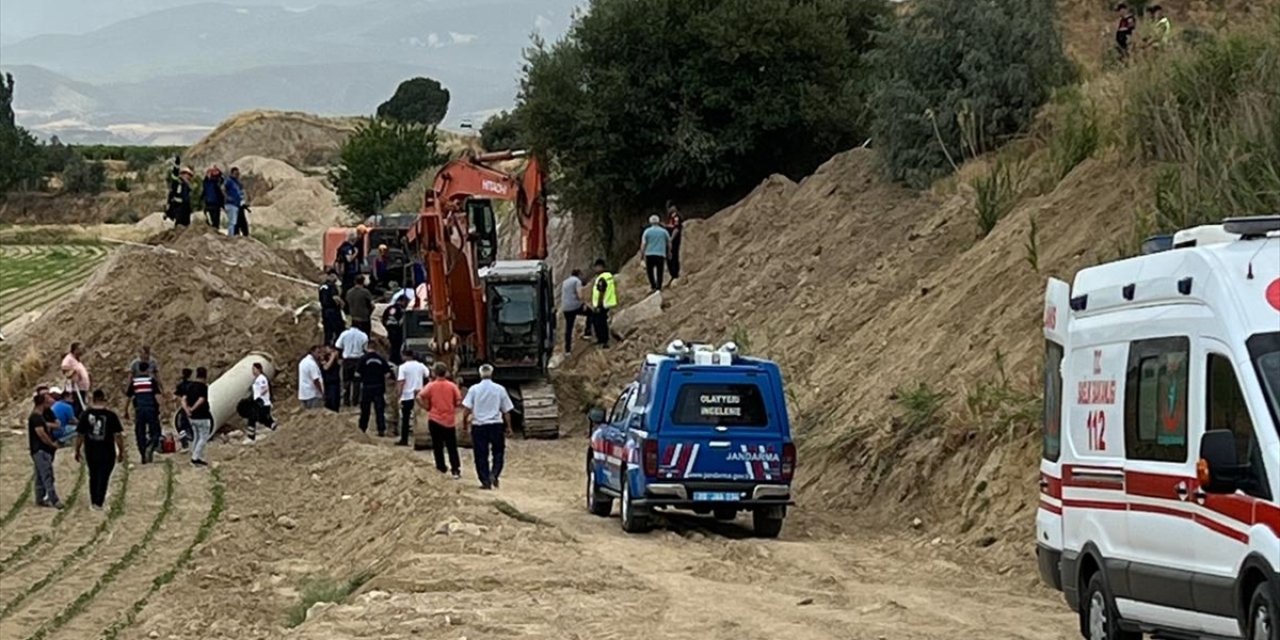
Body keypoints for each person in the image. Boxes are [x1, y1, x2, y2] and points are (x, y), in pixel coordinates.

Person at [462, 364, 514, 490]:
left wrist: (464, 423)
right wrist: (509, 427)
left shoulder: (474, 389)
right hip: (496, 425)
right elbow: (506, 411)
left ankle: (485, 480)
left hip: (479, 426)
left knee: (480, 455)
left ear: (480, 374)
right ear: (492, 373)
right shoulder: (500, 389)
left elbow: (467, 409)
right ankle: (495, 473)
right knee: (498, 452)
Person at [75, 389, 125, 511]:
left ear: (93, 399)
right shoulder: (111, 416)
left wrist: (77, 450)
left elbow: (80, 435)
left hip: (91, 450)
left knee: (93, 475)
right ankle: (99, 502)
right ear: (104, 399)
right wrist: (121, 451)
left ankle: (94, 501)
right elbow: (117, 435)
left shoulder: (86, 415)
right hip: (107, 451)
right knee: (104, 476)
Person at [419, 363, 463, 478]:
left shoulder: (431, 386)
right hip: (449, 420)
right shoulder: (452, 386)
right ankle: (455, 469)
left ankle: (441, 467)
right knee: (451, 445)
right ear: (446, 373)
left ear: (434, 373)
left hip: (434, 419)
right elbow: (458, 401)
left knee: (437, 445)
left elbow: (420, 396)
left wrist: (426, 407)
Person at [124, 361, 163, 463]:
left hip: (139, 410)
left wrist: (125, 411)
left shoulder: (134, 382)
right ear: (147, 370)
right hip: (151, 409)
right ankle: (150, 445)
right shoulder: (151, 381)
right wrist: (162, 409)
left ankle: (143, 453)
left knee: (139, 432)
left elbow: (128, 398)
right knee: (156, 431)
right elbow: (157, 396)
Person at [28, 391, 62, 508]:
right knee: (47, 476)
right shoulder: (36, 418)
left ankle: (40, 499)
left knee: (39, 475)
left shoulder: (40, 415)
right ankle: (54, 500)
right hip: (41, 450)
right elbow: (41, 434)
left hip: (38, 451)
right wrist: (52, 444)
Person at [356, 343, 393, 436]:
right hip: (379, 387)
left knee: (365, 410)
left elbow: (357, 374)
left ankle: (362, 428)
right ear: (376, 348)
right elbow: (388, 374)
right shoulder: (381, 359)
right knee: (379, 410)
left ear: (367, 348)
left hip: (367, 387)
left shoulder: (363, 359)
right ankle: (381, 429)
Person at [394, 350, 429, 447]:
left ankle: (404, 439)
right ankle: (420, 436)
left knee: (405, 418)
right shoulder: (421, 365)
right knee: (418, 416)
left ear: (405, 356)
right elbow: (428, 375)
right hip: (419, 394)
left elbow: (401, 382)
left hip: (407, 395)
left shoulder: (403, 367)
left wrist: (399, 394)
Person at [184, 367, 213, 466]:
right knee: (203, 437)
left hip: (192, 417)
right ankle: (195, 458)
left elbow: (183, 399)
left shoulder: (190, 386)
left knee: (196, 436)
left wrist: (187, 410)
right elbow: (201, 399)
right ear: (205, 376)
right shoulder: (203, 387)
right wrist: (193, 408)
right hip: (202, 415)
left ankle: (195, 454)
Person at [335, 324, 368, 407]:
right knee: (357, 382)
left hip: (347, 360)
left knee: (346, 381)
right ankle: (355, 401)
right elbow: (365, 349)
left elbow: (338, 346)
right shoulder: (363, 335)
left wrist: (339, 358)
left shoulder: (344, 334)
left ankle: (346, 401)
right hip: (358, 360)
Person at [244, 361, 275, 444]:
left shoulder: (262, 378)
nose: (253, 371)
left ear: (258, 369)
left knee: (253, 417)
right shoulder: (257, 379)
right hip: (260, 402)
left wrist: (259, 398)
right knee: (262, 419)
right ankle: (274, 427)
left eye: (254, 369)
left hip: (262, 403)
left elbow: (265, 389)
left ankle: (251, 437)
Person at [590, 259, 617, 348]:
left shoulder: (601, 278)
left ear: (601, 267)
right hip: (608, 302)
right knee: (601, 322)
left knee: (599, 323)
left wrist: (598, 305)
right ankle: (603, 340)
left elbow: (601, 292)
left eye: (596, 267)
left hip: (602, 304)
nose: (595, 269)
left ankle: (603, 340)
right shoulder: (608, 276)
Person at [640, 214, 671, 292]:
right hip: (660, 254)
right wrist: (669, 252)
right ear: (659, 221)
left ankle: (653, 285)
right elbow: (669, 243)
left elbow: (643, 244)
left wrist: (642, 255)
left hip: (649, 254)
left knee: (650, 271)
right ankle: (659, 287)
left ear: (650, 222)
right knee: (660, 271)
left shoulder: (647, 231)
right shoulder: (664, 231)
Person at [560, 269, 584, 355]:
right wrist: (583, 302)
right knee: (591, 313)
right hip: (575, 306)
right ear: (579, 274)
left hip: (565, 307)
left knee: (568, 328)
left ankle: (567, 350)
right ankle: (588, 333)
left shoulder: (565, 282)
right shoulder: (577, 281)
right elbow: (579, 294)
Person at [61, 342, 90, 411]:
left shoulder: (76, 359)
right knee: (78, 407)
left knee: (82, 406)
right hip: (76, 389)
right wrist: (74, 372)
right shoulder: (69, 358)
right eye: (80, 349)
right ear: (75, 350)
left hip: (83, 388)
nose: (82, 351)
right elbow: (64, 368)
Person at [319, 271, 345, 346]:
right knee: (339, 330)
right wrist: (342, 304)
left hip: (324, 311)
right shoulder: (331, 286)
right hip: (333, 311)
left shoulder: (322, 286)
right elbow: (335, 298)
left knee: (328, 331)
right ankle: (336, 346)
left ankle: (327, 346)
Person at [298, 346, 326, 410]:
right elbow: (315, 380)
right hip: (313, 394)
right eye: (318, 352)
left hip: (304, 394)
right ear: (312, 352)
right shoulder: (312, 364)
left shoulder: (303, 361)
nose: (319, 355)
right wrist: (322, 392)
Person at [382, 294, 407, 366]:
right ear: (402, 301)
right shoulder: (401, 309)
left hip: (389, 329)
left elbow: (384, 318)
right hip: (397, 330)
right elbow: (402, 321)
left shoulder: (389, 308)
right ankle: (396, 359)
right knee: (397, 346)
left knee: (392, 345)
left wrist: (386, 326)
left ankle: (392, 359)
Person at [336, 232, 362, 296]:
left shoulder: (351, 247)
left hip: (351, 272)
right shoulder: (347, 248)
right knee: (348, 288)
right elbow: (349, 259)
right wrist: (356, 253)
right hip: (348, 272)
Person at [174, 368, 194, 448]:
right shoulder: (193, 385)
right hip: (193, 406)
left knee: (182, 424)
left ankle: (184, 440)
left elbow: (177, 397)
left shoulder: (180, 385)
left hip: (183, 407)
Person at [224, 166, 245, 238]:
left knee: (235, 221)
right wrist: (227, 197)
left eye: (238, 174)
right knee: (232, 222)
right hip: (231, 204)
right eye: (236, 174)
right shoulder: (229, 181)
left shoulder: (237, 183)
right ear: (232, 173)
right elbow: (222, 188)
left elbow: (241, 192)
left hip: (236, 204)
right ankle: (230, 236)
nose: (237, 175)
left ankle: (233, 235)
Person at [320, 345, 342, 412]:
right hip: (328, 382)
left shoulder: (336, 358)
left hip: (336, 381)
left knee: (336, 400)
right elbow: (326, 367)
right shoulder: (323, 357)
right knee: (330, 400)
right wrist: (332, 357)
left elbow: (340, 363)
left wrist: (337, 357)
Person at [666, 202, 684, 280]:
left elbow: (676, 229)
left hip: (674, 239)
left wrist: (671, 239)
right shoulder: (670, 217)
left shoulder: (676, 217)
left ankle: (675, 273)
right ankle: (672, 273)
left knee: (674, 256)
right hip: (670, 239)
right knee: (670, 256)